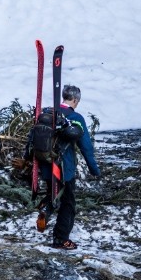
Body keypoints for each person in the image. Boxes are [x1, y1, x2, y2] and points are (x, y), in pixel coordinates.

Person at [44, 84, 100, 251]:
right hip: (64, 168)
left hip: (45, 165)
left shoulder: (48, 113)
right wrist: (94, 170)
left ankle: (45, 213)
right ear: (75, 100)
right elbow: (86, 147)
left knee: (52, 194)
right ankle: (61, 239)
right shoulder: (75, 117)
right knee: (68, 203)